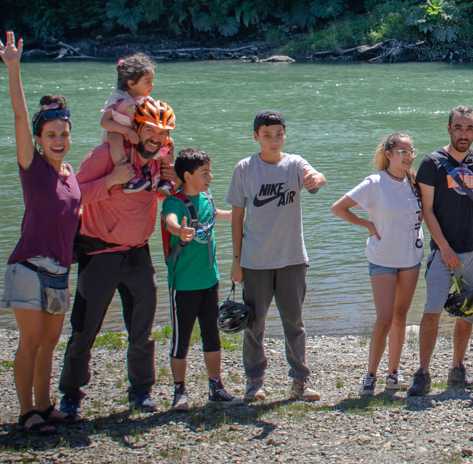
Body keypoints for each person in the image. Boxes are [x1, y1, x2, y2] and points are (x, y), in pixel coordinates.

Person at [58, 97, 178, 418]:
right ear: (136, 128)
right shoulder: (104, 155)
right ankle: (71, 395)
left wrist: (174, 183)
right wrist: (111, 181)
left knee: (142, 331)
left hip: (139, 254)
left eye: (163, 133)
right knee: (84, 329)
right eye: (150, 130)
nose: (156, 138)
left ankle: (141, 392)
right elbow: (71, 196)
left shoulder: (160, 161)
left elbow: (167, 194)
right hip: (100, 254)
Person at [0, 32, 80, 435]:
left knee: (50, 341)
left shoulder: (71, 174)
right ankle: (27, 412)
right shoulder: (32, 167)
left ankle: (45, 405)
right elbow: (19, 117)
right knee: (30, 340)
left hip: (59, 271)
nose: (58, 141)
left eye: (64, 134)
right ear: (39, 140)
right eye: (51, 136)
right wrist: (14, 69)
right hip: (29, 267)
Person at [226, 109, 327, 402]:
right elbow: (237, 217)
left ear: (285, 135)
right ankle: (254, 381)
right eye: (267, 135)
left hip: (292, 259)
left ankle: (300, 382)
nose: (274, 141)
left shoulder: (294, 164)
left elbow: (318, 177)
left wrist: (315, 179)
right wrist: (236, 260)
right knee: (254, 324)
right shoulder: (245, 168)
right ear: (256, 137)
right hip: (255, 261)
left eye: (279, 135)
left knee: (294, 324)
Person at [410, 105, 473, 396]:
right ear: (449, 129)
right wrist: (444, 248)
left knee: (468, 313)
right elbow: (427, 210)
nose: (463, 134)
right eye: (458, 128)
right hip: (444, 251)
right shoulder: (432, 163)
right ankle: (423, 372)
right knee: (432, 312)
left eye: (469, 128)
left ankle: (457, 369)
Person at [330, 132, 425, 396]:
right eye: (403, 152)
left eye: (411, 151)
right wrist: (368, 225)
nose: (408, 156)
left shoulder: (415, 181)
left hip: (411, 258)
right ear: (389, 155)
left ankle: (393, 374)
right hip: (383, 258)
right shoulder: (374, 183)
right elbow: (338, 208)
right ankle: (370, 375)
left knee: (400, 317)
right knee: (384, 319)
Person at [161, 149, 241, 410]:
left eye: (209, 172)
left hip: (210, 282)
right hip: (183, 286)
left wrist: (241, 215)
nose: (210, 177)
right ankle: (179, 392)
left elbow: (218, 215)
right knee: (181, 340)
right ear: (187, 176)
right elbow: (170, 221)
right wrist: (179, 230)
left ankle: (216, 387)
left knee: (212, 336)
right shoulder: (174, 202)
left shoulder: (206, 197)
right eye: (205, 173)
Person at [100, 53, 174, 195]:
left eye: (152, 81)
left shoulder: (146, 99)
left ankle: (166, 180)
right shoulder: (117, 97)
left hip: (136, 133)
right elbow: (105, 122)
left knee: (169, 142)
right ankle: (128, 179)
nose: (152, 85)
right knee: (115, 136)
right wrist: (127, 131)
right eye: (147, 81)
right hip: (116, 133)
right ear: (131, 83)